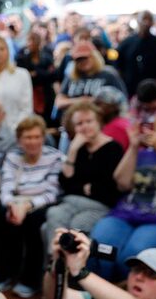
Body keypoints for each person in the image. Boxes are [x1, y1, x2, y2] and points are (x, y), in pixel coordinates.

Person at [90, 106, 156, 280]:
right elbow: (121, 182)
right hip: (123, 215)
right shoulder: (142, 154)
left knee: (133, 254)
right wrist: (133, 147)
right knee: (100, 249)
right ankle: (97, 298)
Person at [42, 100, 124, 254]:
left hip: (98, 206)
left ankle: (74, 270)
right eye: (79, 124)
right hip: (71, 202)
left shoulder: (114, 148)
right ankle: (54, 266)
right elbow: (65, 182)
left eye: (89, 121)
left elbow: (108, 188)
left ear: (98, 121)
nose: (85, 126)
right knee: (53, 215)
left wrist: (80, 186)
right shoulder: (77, 148)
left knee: (76, 225)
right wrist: (72, 149)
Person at [0, 115, 64, 297]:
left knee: (33, 223)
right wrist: (11, 205)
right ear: (19, 140)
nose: (33, 142)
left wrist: (27, 206)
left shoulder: (55, 157)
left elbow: (52, 193)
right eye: (28, 137)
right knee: (1, 216)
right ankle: (4, 274)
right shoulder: (13, 156)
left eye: (36, 137)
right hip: (16, 200)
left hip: (41, 202)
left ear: (43, 137)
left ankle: (30, 280)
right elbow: (6, 187)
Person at [54, 40, 125, 115]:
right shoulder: (72, 76)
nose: (82, 61)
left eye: (85, 58)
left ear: (94, 57)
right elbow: (59, 102)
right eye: (79, 59)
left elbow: (121, 99)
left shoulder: (108, 74)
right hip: (75, 119)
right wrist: (82, 101)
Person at [0, 34, 33, 132]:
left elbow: (26, 108)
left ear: (8, 51)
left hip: (16, 130)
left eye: (2, 49)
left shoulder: (21, 74)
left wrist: (14, 128)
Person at [116, 10, 156, 96]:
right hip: (131, 89)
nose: (146, 23)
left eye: (149, 19)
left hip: (153, 90)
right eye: (144, 19)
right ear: (138, 21)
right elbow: (119, 68)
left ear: (153, 23)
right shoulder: (126, 44)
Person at [93, 85, 131, 152]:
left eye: (99, 104)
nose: (95, 108)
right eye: (94, 104)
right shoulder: (108, 125)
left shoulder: (117, 127)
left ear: (113, 107)